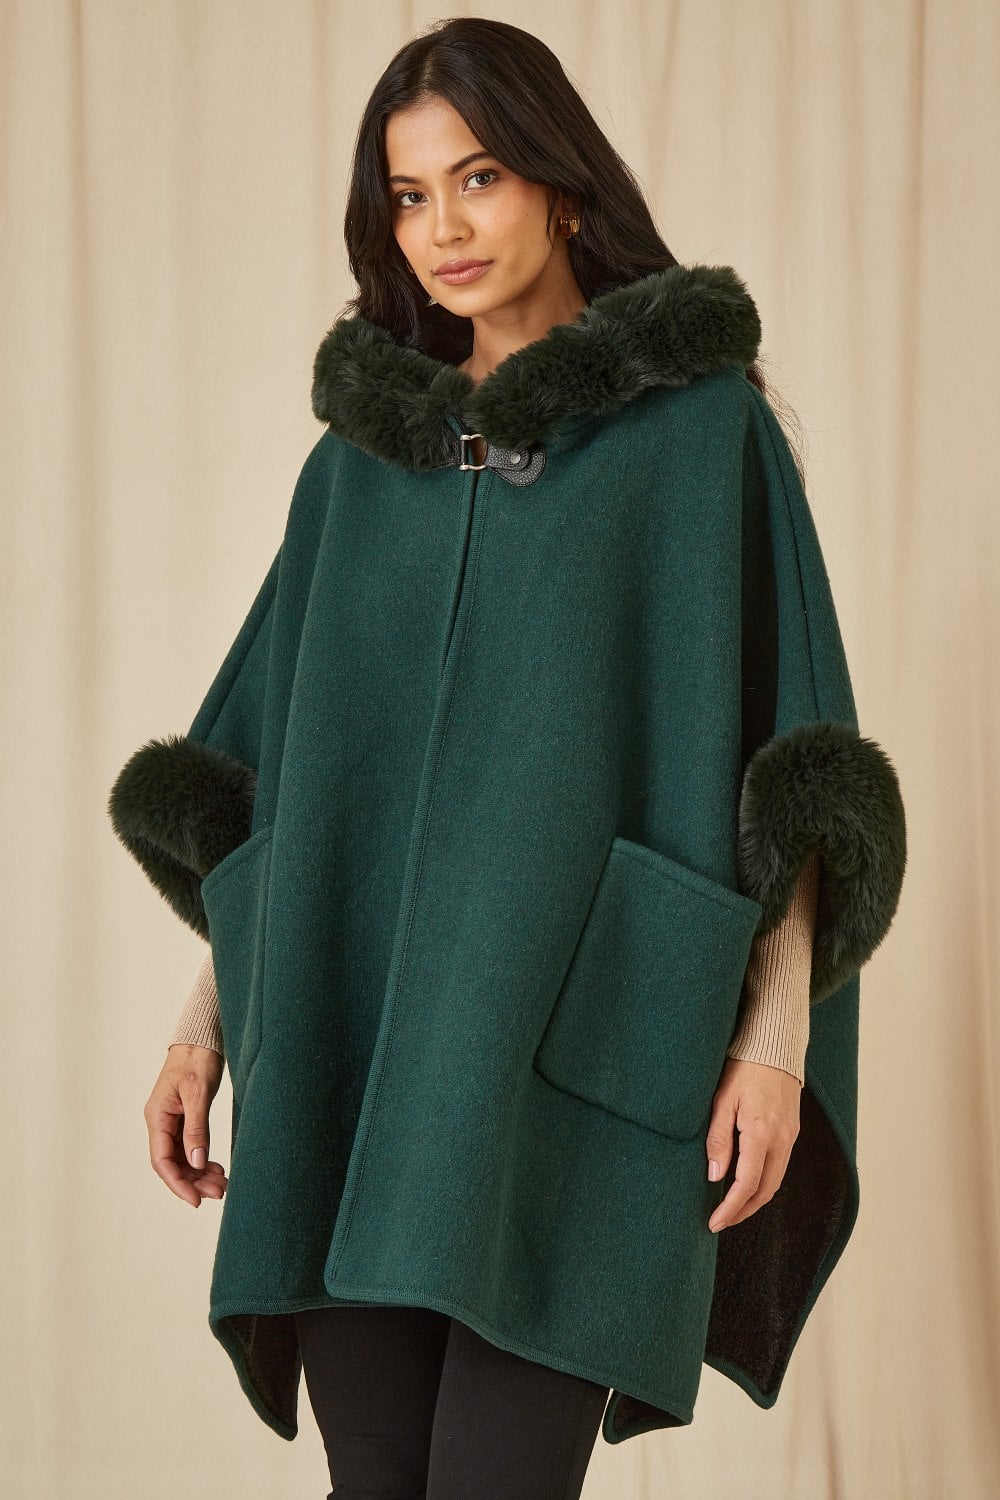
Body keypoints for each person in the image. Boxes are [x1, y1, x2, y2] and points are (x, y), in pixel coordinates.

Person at [110, 17, 907, 1499]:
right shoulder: (356, 471)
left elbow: (792, 771)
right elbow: (283, 791)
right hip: (350, 1052)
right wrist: (202, 1026)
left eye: (478, 178)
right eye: (410, 196)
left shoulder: (701, 439)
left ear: (563, 186)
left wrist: (773, 1042)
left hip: (579, 1059)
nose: (445, 229)